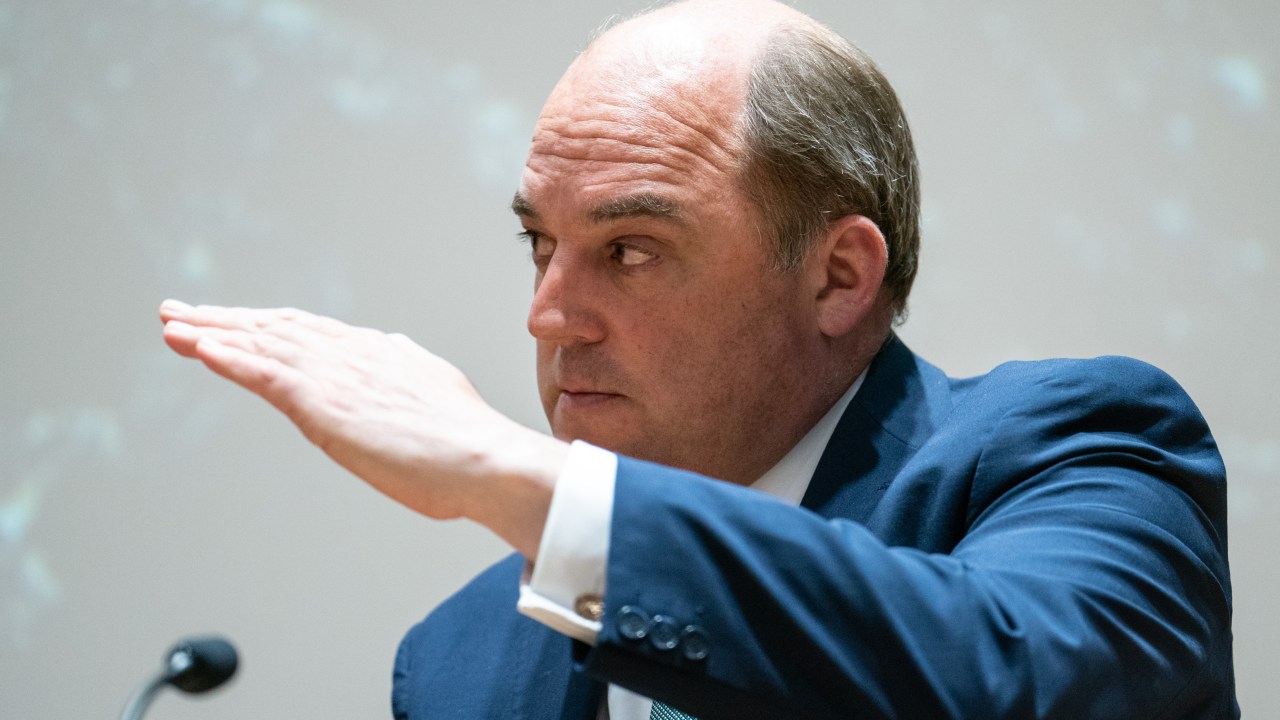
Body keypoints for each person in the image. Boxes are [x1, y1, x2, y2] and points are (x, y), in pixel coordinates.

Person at [158, 0, 1237, 718]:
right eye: (541, 245)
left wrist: (519, 482)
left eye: (629, 250)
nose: (549, 317)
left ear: (836, 277)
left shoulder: (1082, 450)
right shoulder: (459, 661)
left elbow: (1003, 682)